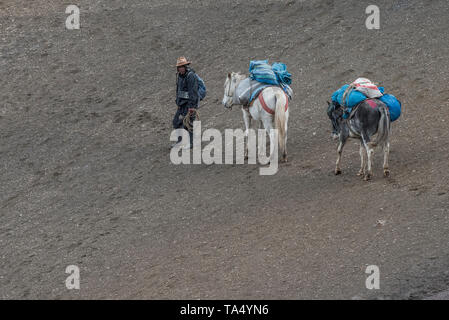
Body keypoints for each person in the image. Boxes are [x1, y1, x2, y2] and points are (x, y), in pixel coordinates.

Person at [172, 56, 199, 149]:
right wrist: (178, 103)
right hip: (182, 104)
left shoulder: (191, 76)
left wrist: (192, 107)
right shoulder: (179, 76)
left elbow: (193, 92)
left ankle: (191, 143)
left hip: (189, 104)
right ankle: (180, 142)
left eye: (182, 66)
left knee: (189, 123)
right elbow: (178, 89)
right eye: (179, 67)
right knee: (176, 122)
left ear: (186, 66)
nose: (181, 69)